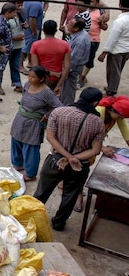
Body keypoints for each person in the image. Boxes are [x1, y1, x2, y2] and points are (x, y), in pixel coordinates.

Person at [32, 87, 106, 231]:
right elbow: (95, 150)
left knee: (41, 192)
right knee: (70, 197)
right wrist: (73, 158)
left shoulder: (59, 112)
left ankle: (31, 218)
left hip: (55, 160)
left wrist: (66, 157)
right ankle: (59, 223)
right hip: (79, 166)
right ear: (95, 103)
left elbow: (50, 137)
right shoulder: (98, 123)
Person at [10, 66, 62, 181]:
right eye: (29, 76)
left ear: (42, 79)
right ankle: (18, 164)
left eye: (33, 77)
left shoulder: (46, 92)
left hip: (34, 122)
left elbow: (59, 107)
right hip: (21, 118)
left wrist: (47, 115)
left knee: (31, 147)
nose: (30, 79)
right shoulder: (27, 85)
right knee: (16, 140)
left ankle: (30, 173)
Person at [97, 0, 129, 96]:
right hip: (126, 49)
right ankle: (111, 87)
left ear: (120, 5)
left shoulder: (120, 21)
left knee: (113, 72)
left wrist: (104, 52)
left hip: (117, 50)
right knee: (118, 69)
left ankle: (111, 90)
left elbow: (112, 39)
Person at [30, 20, 70, 95]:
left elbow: (35, 67)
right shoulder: (65, 45)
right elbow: (67, 67)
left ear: (43, 30)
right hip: (58, 78)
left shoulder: (36, 45)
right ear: (55, 30)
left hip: (41, 79)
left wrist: (50, 73)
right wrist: (59, 85)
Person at [80, 0, 109, 87]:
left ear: (97, 3)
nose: (89, 3)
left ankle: (82, 78)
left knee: (89, 60)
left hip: (93, 40)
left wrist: (101, 23)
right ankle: (80, 76)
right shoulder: (83, 10)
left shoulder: (100, 12)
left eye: (92, 1)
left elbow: (105, 28)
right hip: (81, 39)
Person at [61, 18, 91, 106]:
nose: (67, 26)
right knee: (66, 88)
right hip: (73, 66)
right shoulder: (80, 34)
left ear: (76, 28)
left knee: (68, 89)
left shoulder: (80, 41)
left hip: (73, 68)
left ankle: (67, 106)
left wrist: (66, 71)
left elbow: (74, 59)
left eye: (70, 25)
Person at [20, 0, 47, 73]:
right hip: (31, 29)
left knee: (29, 46)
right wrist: (34, 31)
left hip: (26, 26)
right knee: (25, 48)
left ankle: (30, 63)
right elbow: (32, 19)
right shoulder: (37, 4)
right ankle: (20, 66)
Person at [2, 0, 26, 93]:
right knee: (1, 67)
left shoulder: (20, 15)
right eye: (18, 5)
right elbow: (2, 34)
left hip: (18, 46)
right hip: (7, 47)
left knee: (16, 65)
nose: (20, 7)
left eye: (21, 5)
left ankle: (17, 84)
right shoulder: (5, 19)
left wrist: (25, 26)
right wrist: (15, 37)